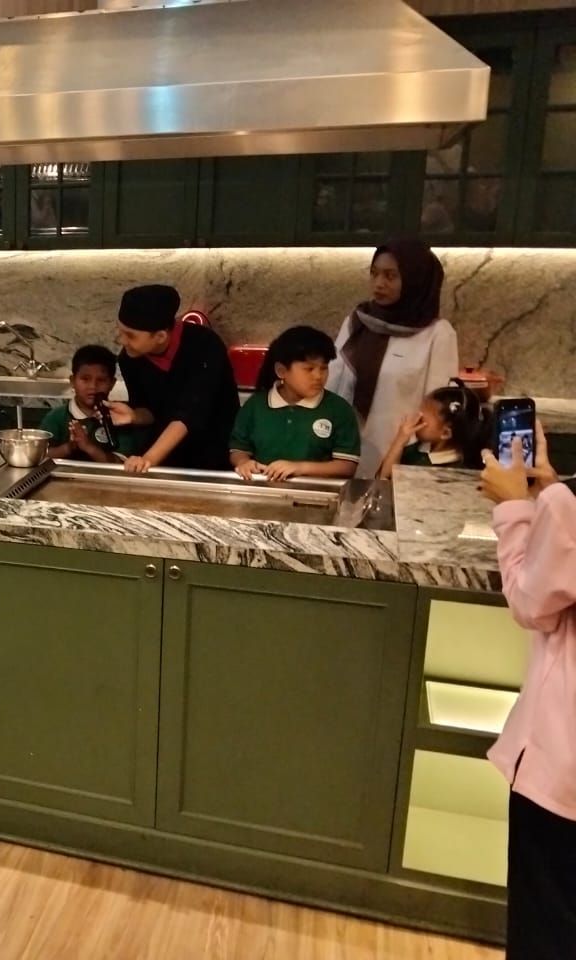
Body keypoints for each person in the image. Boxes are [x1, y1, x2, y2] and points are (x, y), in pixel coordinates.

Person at [479, 423, 576, 959]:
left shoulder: (565, 505)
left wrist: (517, 509)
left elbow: (530, 604)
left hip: (562, 766)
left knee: (549, 926)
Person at [326, 237, 459, 479]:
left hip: (398, 458)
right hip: (342, 452)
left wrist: (416, 464)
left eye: (390, 276)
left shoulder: (438, 334)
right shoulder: (358, 322)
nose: (379, 283)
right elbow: (332, 382)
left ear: (414, 280)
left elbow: (437, 410)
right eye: (374, 273)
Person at [105, 284, 239, 473]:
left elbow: (187, 416)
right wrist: (134, 416)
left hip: (214, 457)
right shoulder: (130, 358)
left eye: (130, 335)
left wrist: (148, 460)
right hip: (165, 458)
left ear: (160, 336)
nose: (122, 341)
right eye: (120, 331)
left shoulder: (205, 345)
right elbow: (149, 411)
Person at [229, 326, 361, 482]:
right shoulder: (255, 406)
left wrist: (299, 467)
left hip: (317, 494)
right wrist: (243, 462)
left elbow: (347, 466)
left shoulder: (339, 409)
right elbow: (238, 449)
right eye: (309, 369)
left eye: (323, 368)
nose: (318, 376)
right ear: (281, 371)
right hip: (262, 490)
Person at [40, 345, 146, 463]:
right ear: (72, 381)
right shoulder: (56, 418)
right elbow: (42, 454)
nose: (93, 386)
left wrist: (88, 447)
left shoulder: (121, 420)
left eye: (101, 380)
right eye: (85, 379)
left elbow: (121, 463)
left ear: (112, 383)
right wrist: (70, 447)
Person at [377, 380, 486, 479]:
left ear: (445, 433)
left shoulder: (450, 472)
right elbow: (382, 480)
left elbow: (385, 482)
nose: (416, 418)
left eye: (421, 419)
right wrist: (399, 441)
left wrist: (400, 442)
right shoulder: (418, 450)